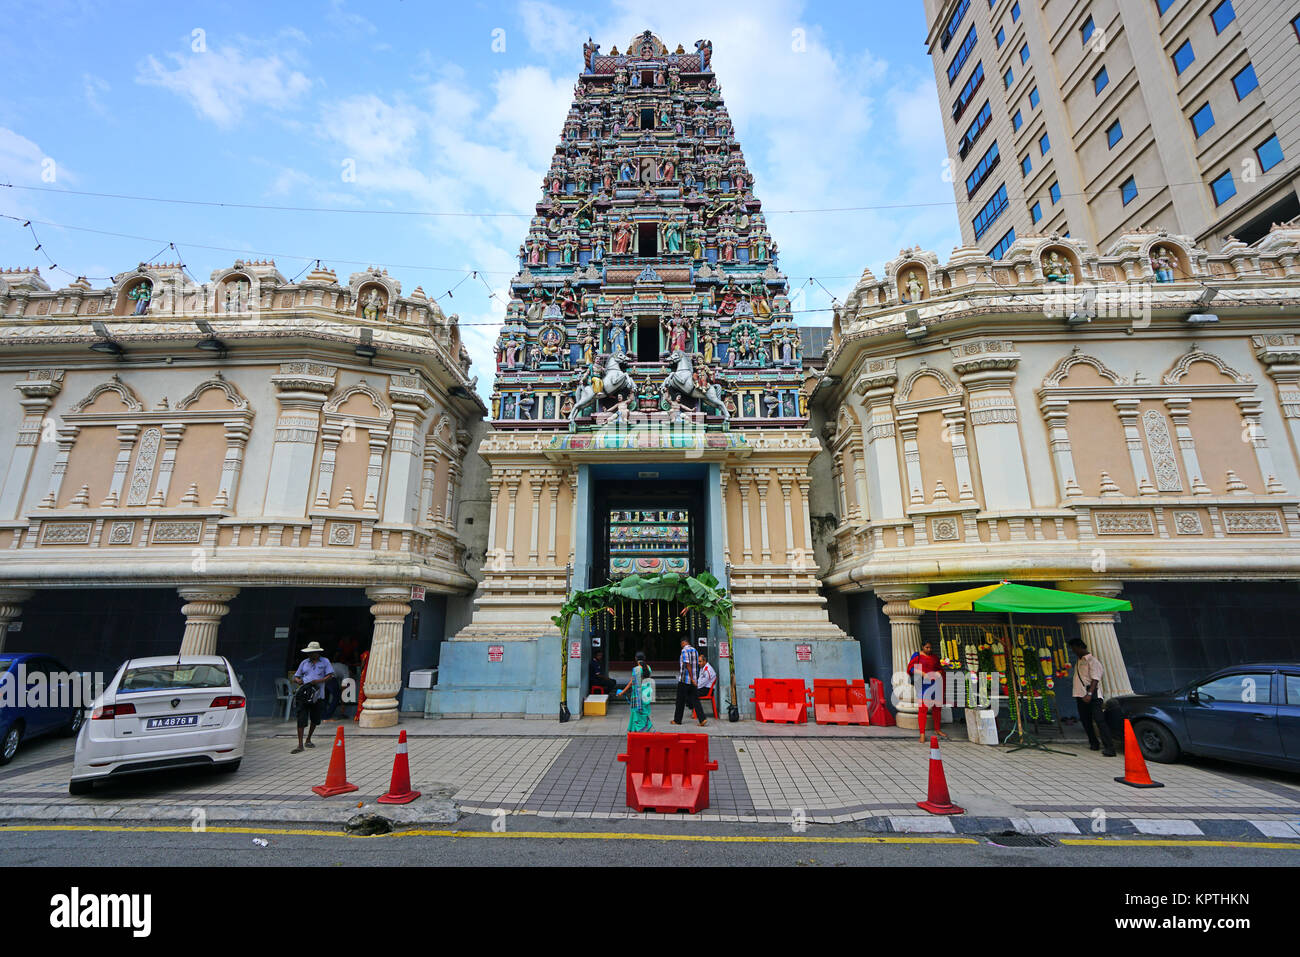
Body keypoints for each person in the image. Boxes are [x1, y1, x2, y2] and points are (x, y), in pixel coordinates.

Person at [1069, 639, 1116, 755]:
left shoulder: (1093, 661)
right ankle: (1094, 743)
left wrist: (1089, 694)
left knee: (1100, 720)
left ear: (1080, 647)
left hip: (1092, 696)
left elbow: (1095, 679)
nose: (1073, 651)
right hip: (1080, 695)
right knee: (1086, 721)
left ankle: (1110, 747)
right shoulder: (1079, 661)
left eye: (1074, 648)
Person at [291, 641, 334, 754]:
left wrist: (319, 681)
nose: (310, 655)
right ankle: (300, 745)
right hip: (304, 693)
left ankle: (308, 739)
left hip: (318, 695)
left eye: (312, 653)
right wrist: (297, 680)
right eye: (309, 653)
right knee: (301, 718)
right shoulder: (304, 662)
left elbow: (330, 675)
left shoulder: (325, 662)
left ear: (317, 652)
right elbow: (295, 676)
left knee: (315, 718)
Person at [907, 640, 947, 742]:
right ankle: (922, 733)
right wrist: (923, 673)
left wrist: (938, 672)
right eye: (927, 647)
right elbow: (911, 668)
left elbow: (940, 669)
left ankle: (937, 729)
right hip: (923, 685)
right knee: (923, 709)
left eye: (930, 647)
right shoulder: (917, 656)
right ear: (922, 647)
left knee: (937, 708)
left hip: (935, 683)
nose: (929, 649)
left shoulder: (934, 657)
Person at [671, 636, 708, 727]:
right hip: (693, 680)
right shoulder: (695, 651)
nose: (681, 645)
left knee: (680, 700)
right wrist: (695, 679)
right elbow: (696, 665)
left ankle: (677, 720)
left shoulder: (684, 651)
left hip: (685, 680)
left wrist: (691, 678)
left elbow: (688, 665)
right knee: (695, 700)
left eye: (681, 644)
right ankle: (702, 719)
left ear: (683, 643)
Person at [616, 652, 654, 732]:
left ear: (636, 658)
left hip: (638, 695)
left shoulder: (636, 669)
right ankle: (643, 729)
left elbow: (632, 682)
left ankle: (639, 731)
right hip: (647, 693)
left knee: (636, 713)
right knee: (644, 713)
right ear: (644, 658)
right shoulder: (648, 667)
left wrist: (622, 692)